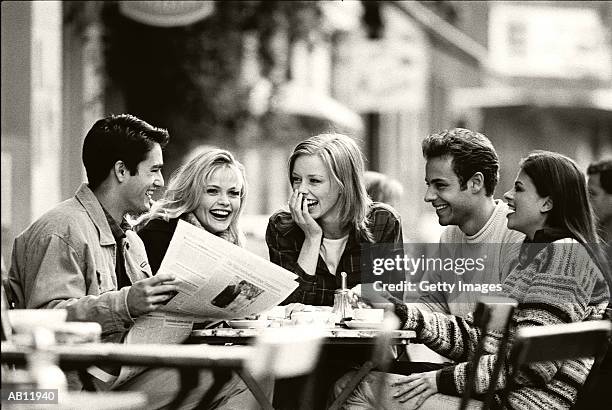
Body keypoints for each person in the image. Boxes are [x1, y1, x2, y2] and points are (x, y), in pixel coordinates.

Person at [333, 150, 610, 409]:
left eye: (520, 188)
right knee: (354, 379)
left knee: (353, 386)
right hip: (499, 395)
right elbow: (479, 339)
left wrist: (440, 379)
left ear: (547, 203)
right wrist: (401, 311)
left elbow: (532, 365)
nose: (508, 195)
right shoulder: (538, 256)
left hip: (515, 404)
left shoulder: (564, 257)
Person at [8, 115, 250, 409]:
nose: (161, 182)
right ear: (122, 171)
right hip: (68, 389)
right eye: (155, 170)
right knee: (234, 383)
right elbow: (46, 319)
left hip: (125, 372)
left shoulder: (131, 240)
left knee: (245, 378)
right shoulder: (62, 229)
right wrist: (125, 304)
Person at [266, 133, 403, 306]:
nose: (301, 190)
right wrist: (312, 237)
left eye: (314, 181)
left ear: (343, 184)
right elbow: (288, 306)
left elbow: (394, 305)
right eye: (296, 179)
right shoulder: (281, 226)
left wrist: (369, 293)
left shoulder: (383, 221)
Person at [416, 128, 524, 318]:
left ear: (475, 183)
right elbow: (431, 305)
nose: (428, 196)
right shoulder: (449, 237)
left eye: (440, 185)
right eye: (428, 185)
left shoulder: (516, 235)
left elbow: (500, 329)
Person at [135, 148, 247, 274]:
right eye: (212, 191)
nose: (225, 202)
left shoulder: (235, 243)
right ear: (190, 193)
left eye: (233, 193)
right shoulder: (158, 235)